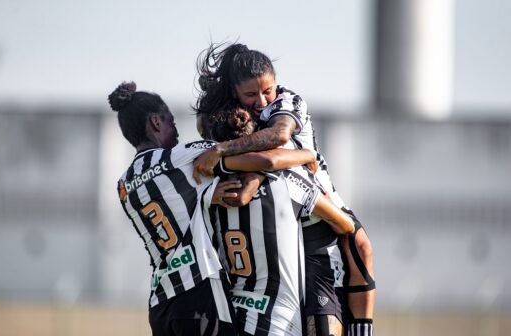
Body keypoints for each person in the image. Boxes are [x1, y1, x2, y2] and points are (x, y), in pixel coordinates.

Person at [193, 42, 376, 336]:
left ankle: (363, 329)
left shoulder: (288, 101)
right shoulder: (233, 114)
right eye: (252, 94)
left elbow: (278, 138)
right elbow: (209, 129)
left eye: (268, 90)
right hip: (283, 215)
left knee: (361, 245)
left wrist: (222, 151)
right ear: (235, 92)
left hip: (316, 201)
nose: (263, 100)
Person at [109, 81, 319, 336]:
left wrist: (207, 196)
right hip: (198, 291)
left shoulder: (123, 185)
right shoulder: (179, 157)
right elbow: (260, 158)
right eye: (171, 121)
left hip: (160, 302)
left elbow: (176, 208)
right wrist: (306, 155)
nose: (176, 130)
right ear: (156, 122)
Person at [204, 105, 356, 336]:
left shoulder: (207, 188)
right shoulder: (287, 179)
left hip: (231, 313)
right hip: (277, 320)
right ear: (254, 140)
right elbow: (347, 225)